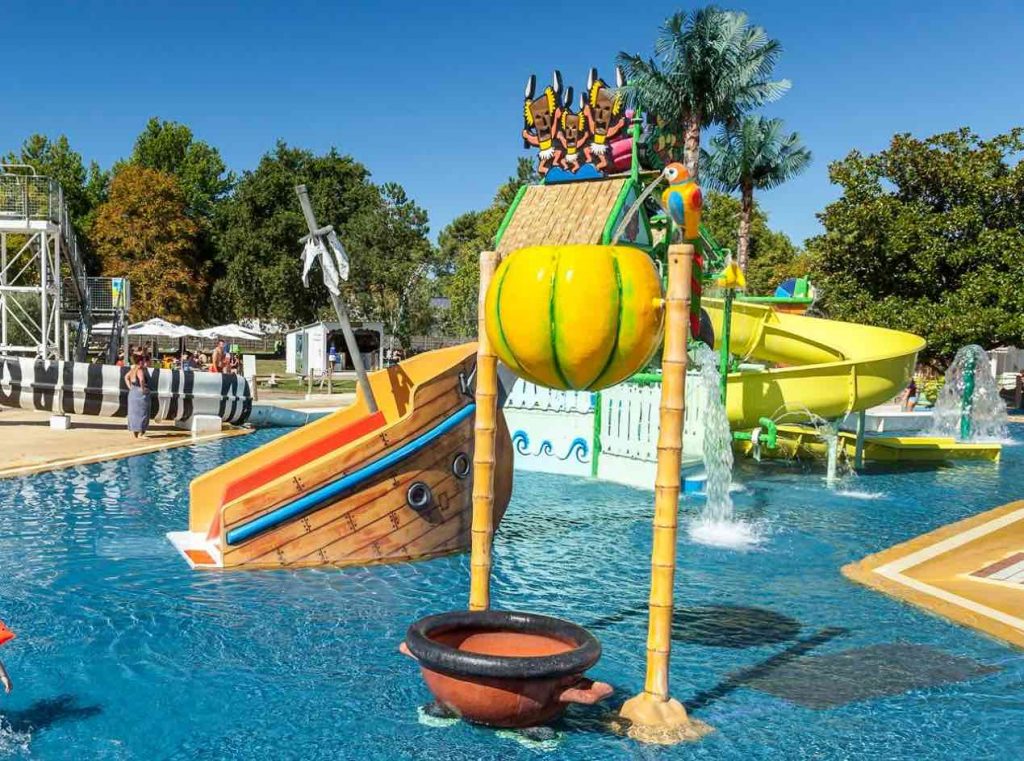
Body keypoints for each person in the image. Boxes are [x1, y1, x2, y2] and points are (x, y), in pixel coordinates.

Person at [124, 353, 151, 439]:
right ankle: (141, 433)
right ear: (140, 362)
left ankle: (136, 433)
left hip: (133, 393)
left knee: (134, 413)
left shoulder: (133, 369)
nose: (144, 362)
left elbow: (126, 377)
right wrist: (143, 389)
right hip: (140, 394)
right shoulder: (140, 370)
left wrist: (130, 387)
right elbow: (142, 379)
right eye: (143, 361)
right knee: (143, 412)